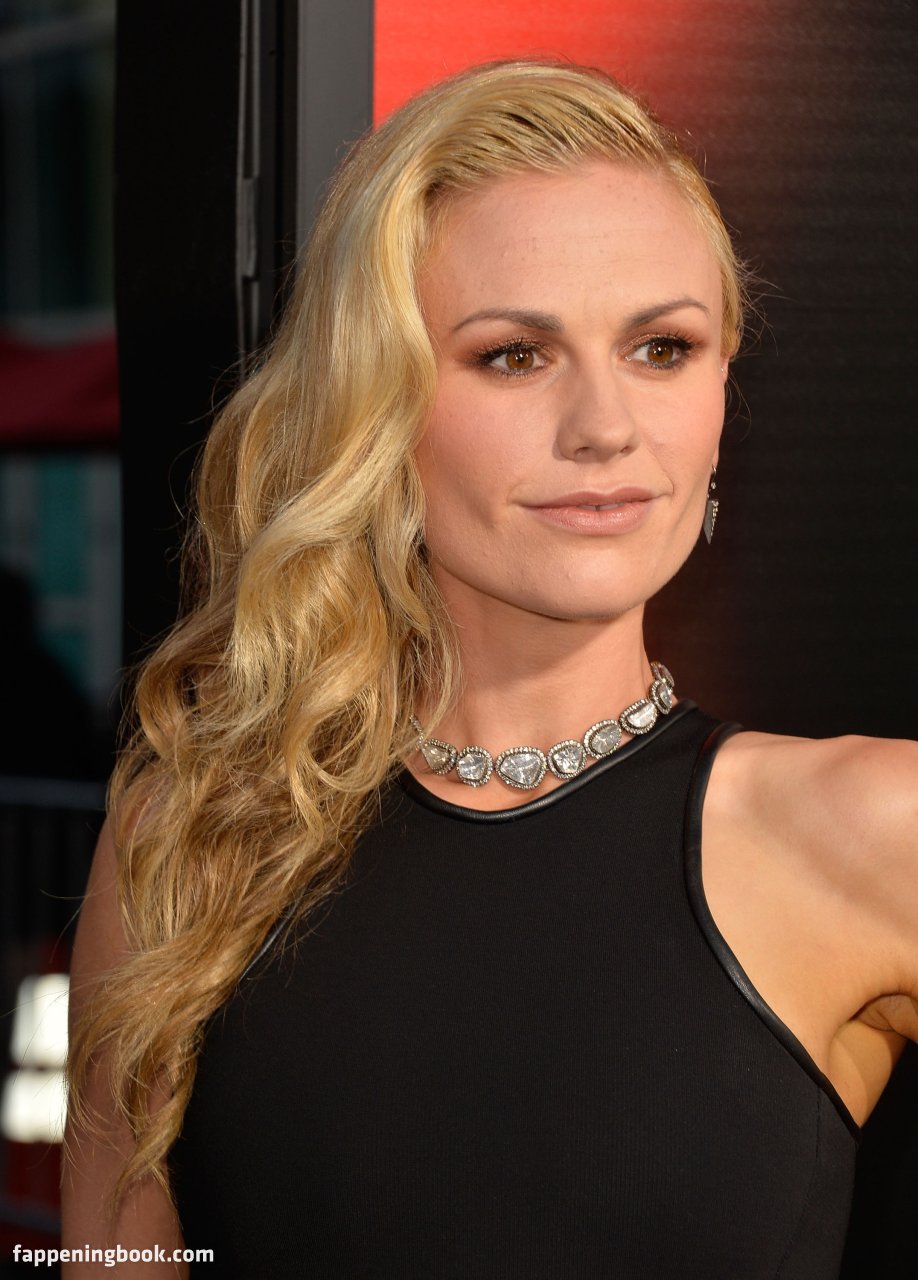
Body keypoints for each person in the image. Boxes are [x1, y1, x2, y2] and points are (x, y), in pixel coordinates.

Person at [63, 59, 917, 1277]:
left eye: (663, 347)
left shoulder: (873, 829)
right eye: (516, 355)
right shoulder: (192, 838)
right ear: (375, 404)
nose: (606, 427)